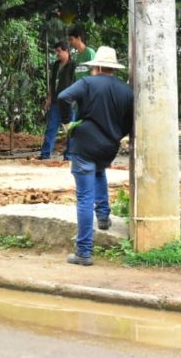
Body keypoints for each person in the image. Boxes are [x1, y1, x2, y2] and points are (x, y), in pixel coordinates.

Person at [57, 46, 133, 266]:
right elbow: (129, 122)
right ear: (113, 68)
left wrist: (66, 122)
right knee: (99, 172)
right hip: (108, 147)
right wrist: (117, 134)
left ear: (98, 67)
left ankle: (83, 252)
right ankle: (103, 217)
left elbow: (63, 97)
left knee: (84, 198)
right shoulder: (126, 91)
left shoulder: (88, 83)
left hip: (84, 145)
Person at [39, 41, 75, 160]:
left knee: (70, 130)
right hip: (55, 101)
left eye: (59, 51)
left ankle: (69, 156)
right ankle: (45, 154)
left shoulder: (73, 65)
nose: (57, 54)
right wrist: (49, 98)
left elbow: (77, 83)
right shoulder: (56, 65)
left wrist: (75, 100)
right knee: (51, 127)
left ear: (66, 51)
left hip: (69, 102)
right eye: (56, 52)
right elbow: (52, 83)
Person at [65, 26, 96, 158]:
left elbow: (94, 73)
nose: (70, 42)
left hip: (88, 96)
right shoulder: (77, 57)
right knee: (78, 124)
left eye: (72, 39)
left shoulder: (89, 53)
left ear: (79, 38)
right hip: (79, 98)